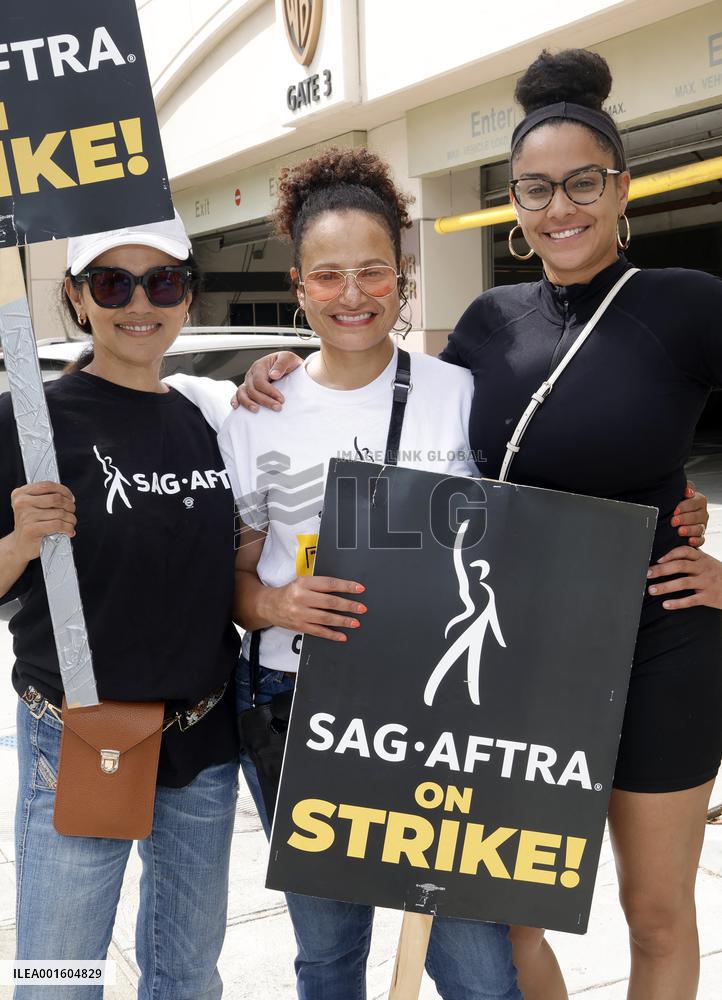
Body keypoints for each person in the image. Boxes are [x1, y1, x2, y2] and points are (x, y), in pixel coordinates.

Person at [237, 50, 722, 1000]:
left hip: (663, 638)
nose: (560, 207)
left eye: (584, 181)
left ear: (623, 186)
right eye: (535, 188)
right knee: (508, 912)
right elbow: (386, 389)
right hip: (521, 649)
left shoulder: (688, 306)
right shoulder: (487, 328)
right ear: (513, 203)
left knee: (657, 916)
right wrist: (282, 364)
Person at [218, 147, 521, 1000]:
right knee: (328, 957)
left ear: (404, 275)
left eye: (372, 271)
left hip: (440, 707)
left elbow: (528, 535)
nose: (352, 295)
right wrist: (275, 600)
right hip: (298, 707)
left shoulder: (460, 392)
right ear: (298, 284)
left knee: (477, 965)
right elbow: (234, 583)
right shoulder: (256, 415)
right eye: (328, 275)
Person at [0, 213, 241, 999]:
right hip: (78, 733)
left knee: (186, 976)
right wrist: (18, 544)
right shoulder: (30, 423)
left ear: (188, 297)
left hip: (202, 739)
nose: (140, 302)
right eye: (113, 282)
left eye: (163, 281)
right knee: (58, 983)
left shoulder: (210, 418)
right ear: (76, 297)